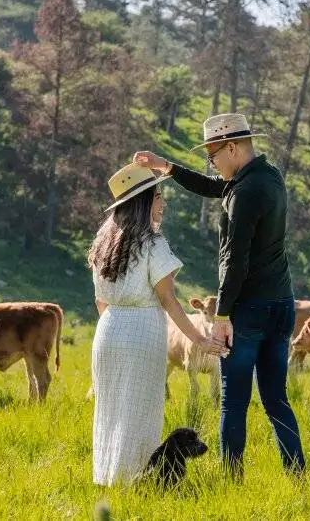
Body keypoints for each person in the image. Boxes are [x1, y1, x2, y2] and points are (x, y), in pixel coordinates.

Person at [133, 113, 306, 479]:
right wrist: (167, 167)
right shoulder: (269, 177)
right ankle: (298, 475)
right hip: (282, 304)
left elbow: (234, 258)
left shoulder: (243, 193)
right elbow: (217, 187)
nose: (211, 163)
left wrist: (223, 315)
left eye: (212, 155)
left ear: (231, 147)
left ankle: (231, 478)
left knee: (234, 399)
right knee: (277, 399)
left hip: (249, 309)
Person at [88, 162, 228, 487]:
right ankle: (136, 482)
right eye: (158, 196)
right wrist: (201, 339)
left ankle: (110, 479)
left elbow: (100, 300)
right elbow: (168, 300)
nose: (162, 202)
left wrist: (115, 329)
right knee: (140, 413)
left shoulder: (103, 243)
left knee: (110, 410)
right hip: (142, 332)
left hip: (107, 331)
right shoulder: (152, 243)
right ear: (144, 202)